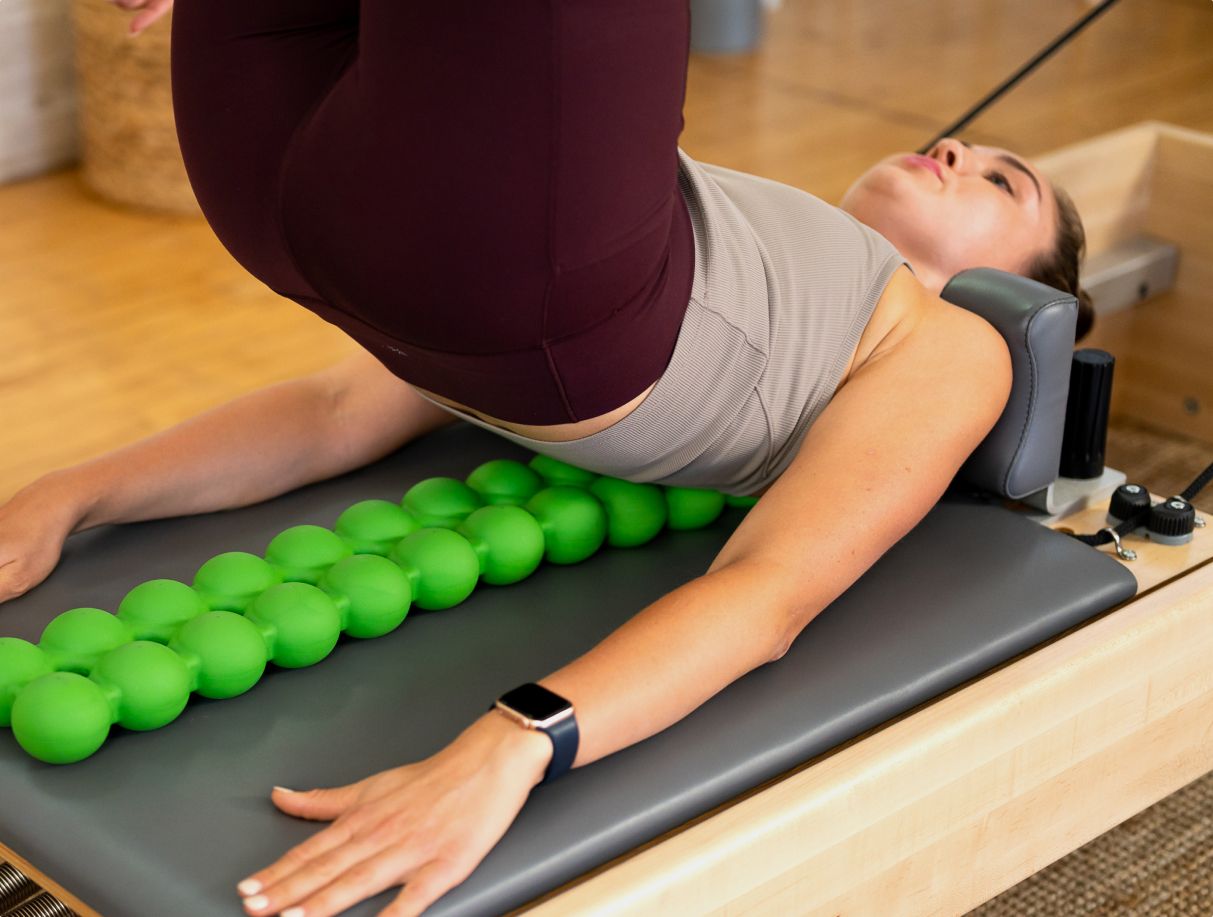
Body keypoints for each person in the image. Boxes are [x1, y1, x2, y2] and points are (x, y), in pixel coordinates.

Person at [0, 2, 1089, 915]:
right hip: (294, 196)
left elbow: (766, 593)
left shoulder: (952, 342)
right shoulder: (697, 217)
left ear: (1009, 286)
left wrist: (515, 742)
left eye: (1002, 186)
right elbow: (337, 410)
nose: (959, 150)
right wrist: (70, 493)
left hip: (493, 280)